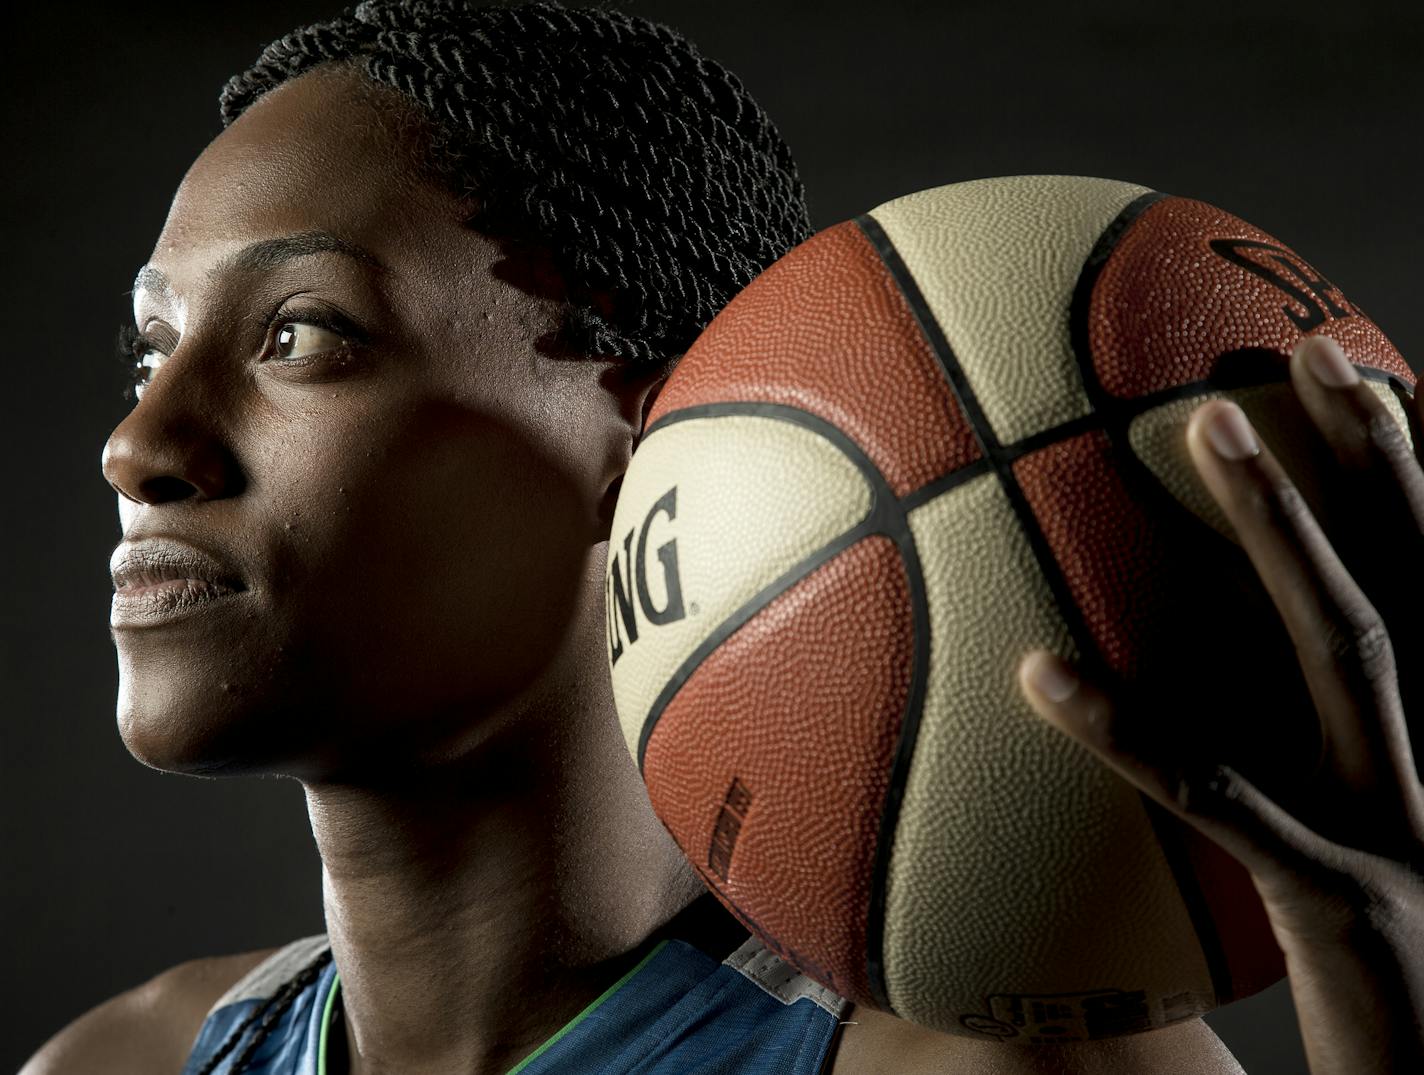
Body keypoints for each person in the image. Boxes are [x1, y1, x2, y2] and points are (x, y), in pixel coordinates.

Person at [22, 1, 1423, 1072]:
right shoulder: (122, 1059)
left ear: (650, 436)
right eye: (150, 354)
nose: (139, 447)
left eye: (296, 336)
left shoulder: (995, 1069)